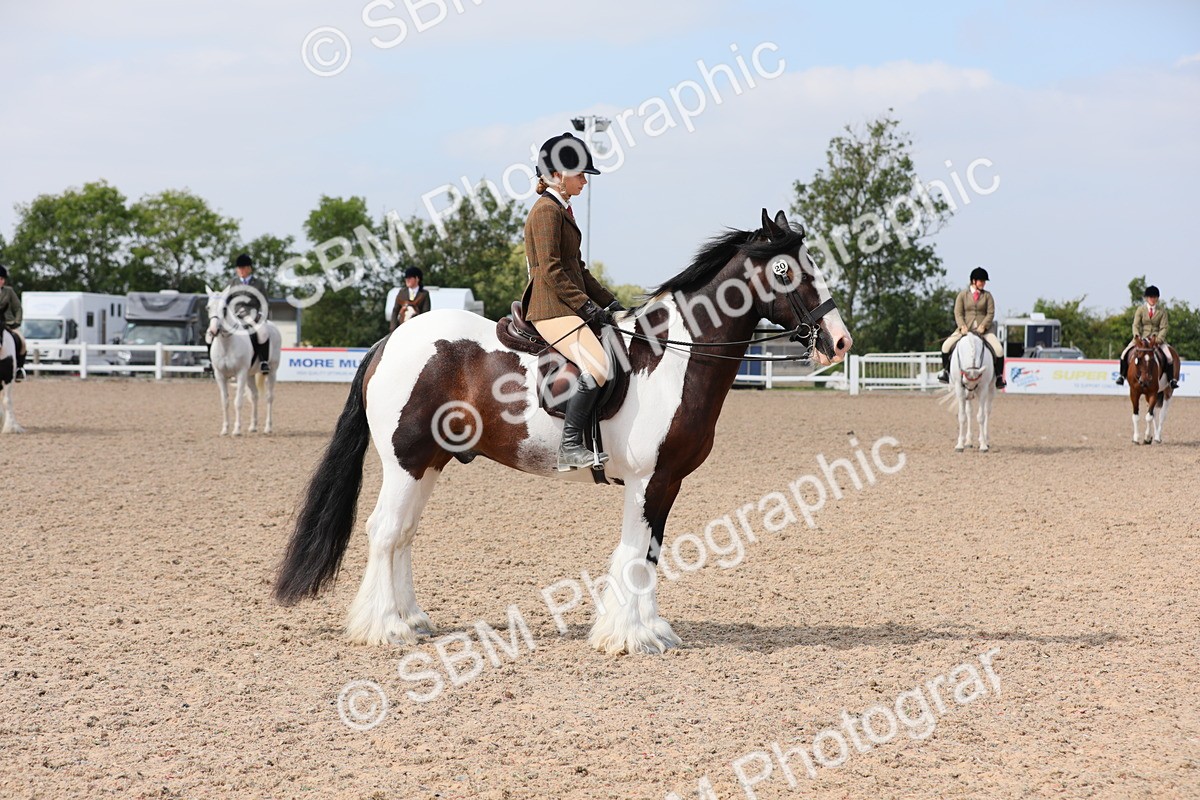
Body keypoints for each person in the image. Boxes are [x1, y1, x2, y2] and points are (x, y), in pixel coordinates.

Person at [522, 131, 623, 471]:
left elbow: (576, 268)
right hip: (550, 309)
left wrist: (610, 304)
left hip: (565, 305)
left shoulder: (562, 209)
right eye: (580, 174)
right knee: (599, 366)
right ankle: (569, 446)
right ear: (558, 175)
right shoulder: (546, 211)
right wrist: (585, 306)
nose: (584, 181)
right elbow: (550, 270)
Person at [938, 267, 1006, 389]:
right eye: (981, 281)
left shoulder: (987, 296)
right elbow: (958, 313)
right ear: (973, 281)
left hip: (984, 331)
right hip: (965, 329)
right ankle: (946, 372)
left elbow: (990, 313)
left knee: (999, 350)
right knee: (946, 346)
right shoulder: (962, 295)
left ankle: (999, 377)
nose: (983, 283)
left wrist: (983, 326)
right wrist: (962, 326)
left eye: (984, 281)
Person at [1116, 285, 1178, 389]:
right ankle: (1122, 376)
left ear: (1157, 298)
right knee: (1124, 354)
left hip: (1156, 339)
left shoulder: (1162, 311)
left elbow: (1164, 327)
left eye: (1154, 297)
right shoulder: (1140, 310)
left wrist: (1158, 340)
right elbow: (1135, 325)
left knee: (1169, 357)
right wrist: (1137, 337)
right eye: (1150, 297)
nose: (1152, 299)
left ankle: (1171, 380)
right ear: (1146, 298)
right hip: (1141, 338)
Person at [226, 253, 271, 374]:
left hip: (253, 315)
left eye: (244, 268)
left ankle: (263, 361)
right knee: (212, 332)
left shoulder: (259, 283)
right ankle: (213, 362)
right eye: (239, 268)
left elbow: (265, 302)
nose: (241, 271)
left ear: (249, 269)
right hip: (235, 316)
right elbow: (226, 301)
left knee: (263, 332)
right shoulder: (231, 283)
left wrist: (262, 317)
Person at [0, 265, 27, 381]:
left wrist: (17, 321)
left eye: (1, 279)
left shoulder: (9, 291)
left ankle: (19, 369)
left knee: (23, 342)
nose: (0, 281)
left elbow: (18, 308)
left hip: (8, 323)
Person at [390, 266, 431, 331]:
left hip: (418, 327)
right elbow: (395, 310)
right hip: (401, 327)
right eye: (406, 278)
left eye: (410, 278)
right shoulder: (402, 292)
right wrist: (393, 328)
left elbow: (426, 312)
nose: (407, 280)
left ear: (417, 278)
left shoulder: (424, 294)